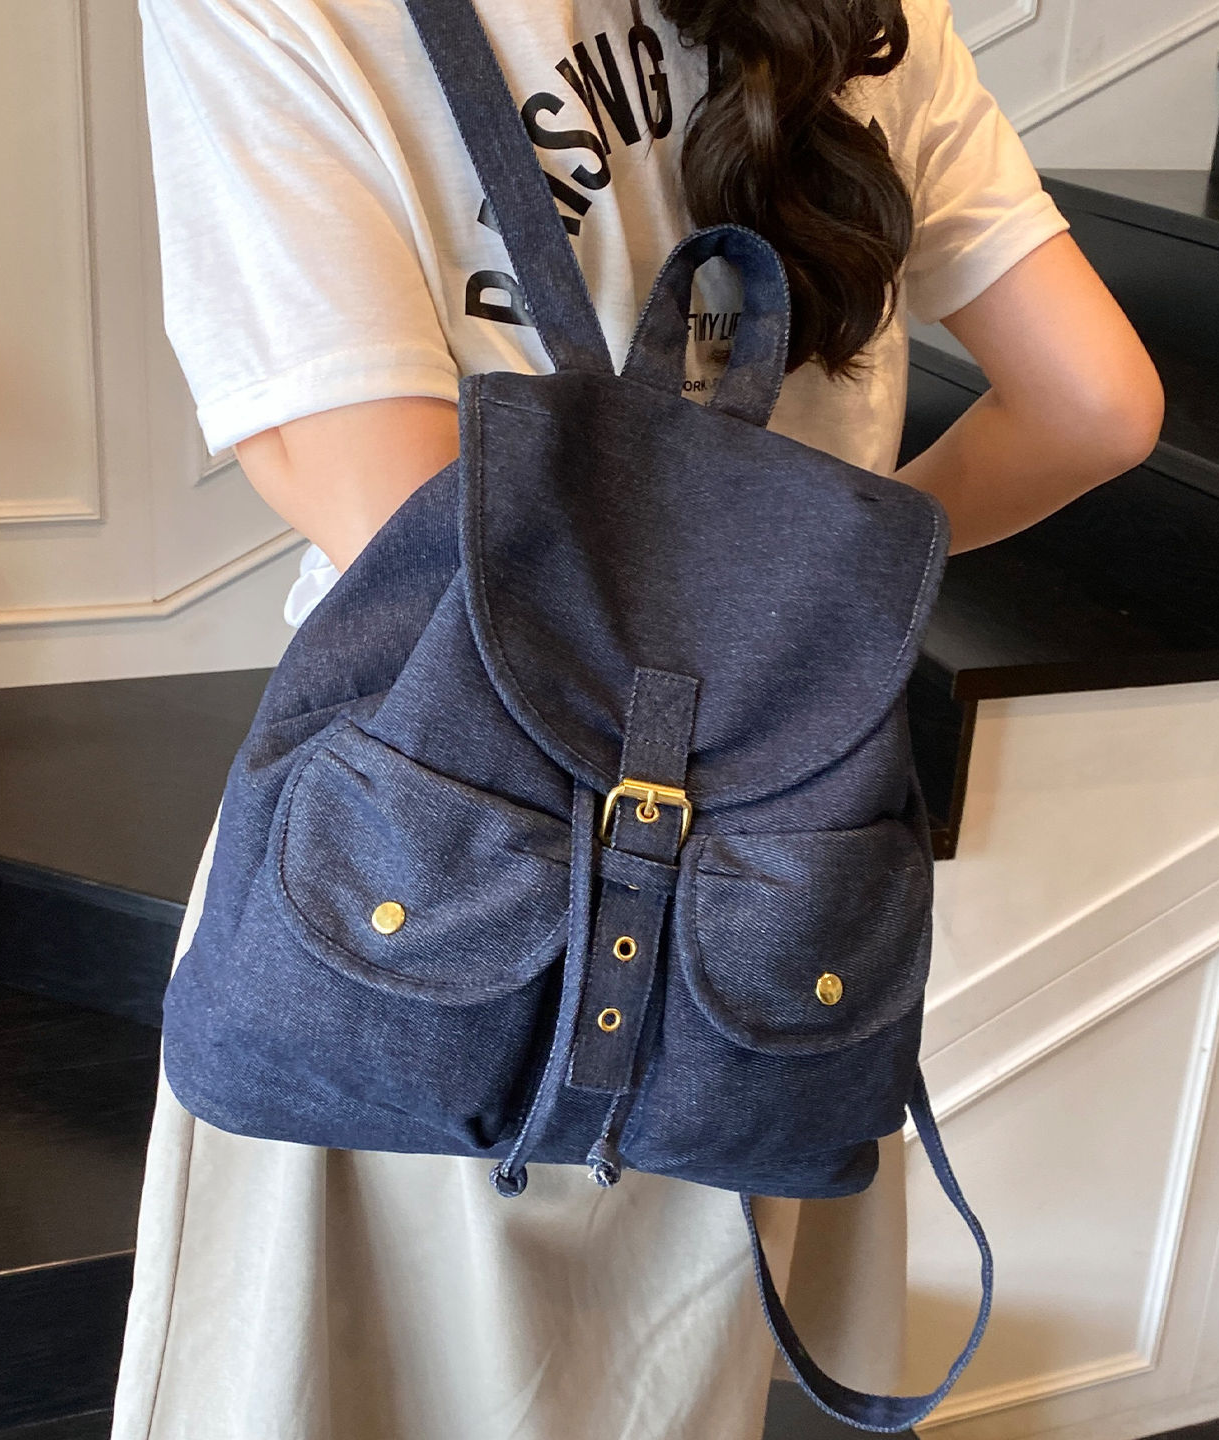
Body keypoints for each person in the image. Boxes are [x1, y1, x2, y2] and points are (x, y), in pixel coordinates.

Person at [111, 1, 1165, 1436]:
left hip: (428, 880)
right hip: (762, 897)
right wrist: (806, 598)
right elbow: (1097, 405)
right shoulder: (875, 17)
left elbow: (399, 516)